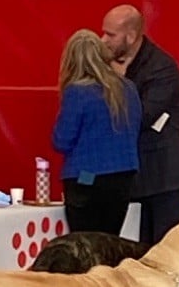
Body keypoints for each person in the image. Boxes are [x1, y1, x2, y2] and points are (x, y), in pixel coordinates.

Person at [101, 5, 179, 244]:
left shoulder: (161, 68)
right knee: (140, 249)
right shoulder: (113, 64)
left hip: (167, 175)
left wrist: (119, 82)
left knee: (164, 248)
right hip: (138, 176)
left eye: (110, 35)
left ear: (131, 36)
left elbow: (141, 117)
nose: (103, 40)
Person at [52, 29, 142, 234]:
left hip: (87, 177)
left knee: (84, 240)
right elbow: (136, 127)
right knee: (109, 240)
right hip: (123, 176)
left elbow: (62, 140)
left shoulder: (77, 91)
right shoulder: (128, 87)